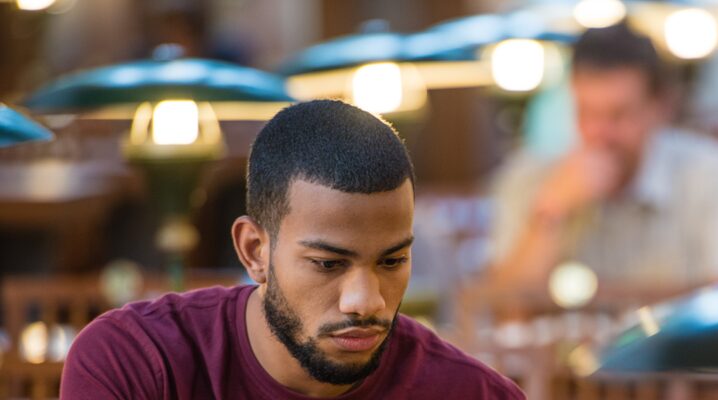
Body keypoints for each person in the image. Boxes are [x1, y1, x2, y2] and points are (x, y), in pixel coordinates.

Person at [61, 100, 524, 399]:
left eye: (392, 261)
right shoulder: (136, 363)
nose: (365, 301)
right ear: (254, 251)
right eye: (328, 263)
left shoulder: (472, 393)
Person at [489, 24, 718, 303]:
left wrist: (604, 299)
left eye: (618, 115)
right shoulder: (530, 179)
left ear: (661, 107)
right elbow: (501, 306)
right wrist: (550, 214)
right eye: (586, 113)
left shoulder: (716, 173)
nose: (600, 133)